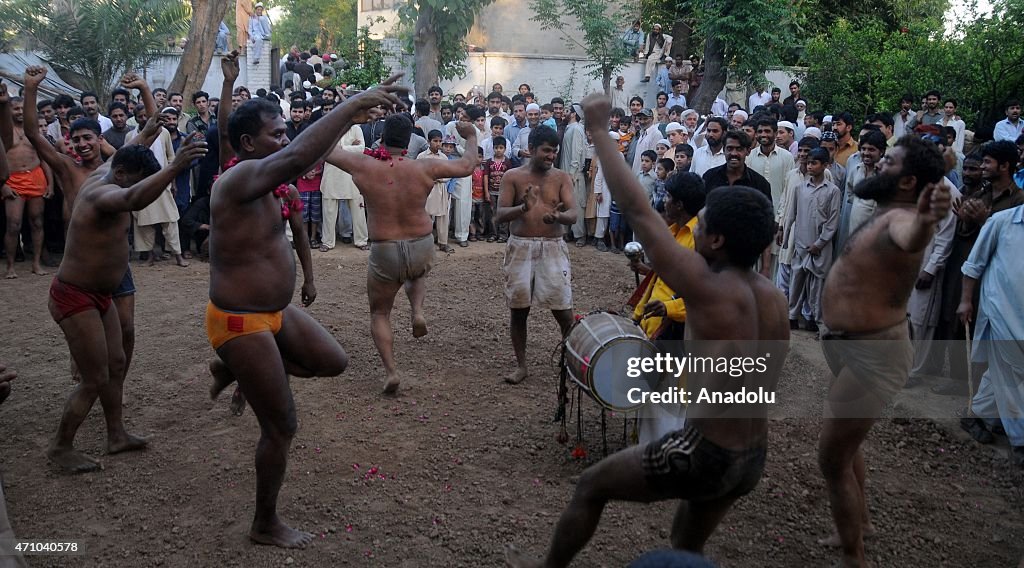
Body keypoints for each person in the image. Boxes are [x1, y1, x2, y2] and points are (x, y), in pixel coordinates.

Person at [505, 93, 788, 568]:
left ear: (716, 240)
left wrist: (598, 129)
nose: (694, 231)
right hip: (751, 456)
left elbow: (636, 209)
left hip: (706, 450)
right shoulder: (775, 298)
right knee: (686, 541)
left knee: (591, 486)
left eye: (703, 227)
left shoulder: (708, 286)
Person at [205, 74, 405, 548]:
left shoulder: (267, 176)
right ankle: (264, 523)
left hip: (275, 313)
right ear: (249, 142)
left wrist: (344, 121)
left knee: (332, 361)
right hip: (240, 320)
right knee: (281, 426)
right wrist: (348, 103)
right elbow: (298, 156)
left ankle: (235, 369)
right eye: (276, 133)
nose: (285, 139)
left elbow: (304, 155)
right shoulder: (239, 178)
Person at [817, 135, 949, 567]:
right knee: (848, 447)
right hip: (853, 349)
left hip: (872, 354)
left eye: (887, 162)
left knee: (832, 459)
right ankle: (863, 523)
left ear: (908, 181)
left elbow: (914, 237)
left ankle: (854, 555)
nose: (876, 165)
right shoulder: (889, 210)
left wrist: (929, 219)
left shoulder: (904, 219)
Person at [46, 132, 206, 473]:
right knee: (94, 377)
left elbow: (138, 144)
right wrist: (175, 165)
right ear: (121, 175)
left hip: (100, 295)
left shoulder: (110, 168)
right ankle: (61, 447)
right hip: (75, 295)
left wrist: (151, 126)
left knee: (116, 364)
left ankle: (116, 435)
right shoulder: (104, 193)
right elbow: (134, 198)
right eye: (139, 181)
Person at [326, 115, 478, 394]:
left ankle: (391, 371)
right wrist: (470, 135)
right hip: (421, 241)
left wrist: (347, 119)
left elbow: (326, 149)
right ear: (409, 140)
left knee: (380, 312)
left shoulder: (363, 165)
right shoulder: (425, 166)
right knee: (417, 271)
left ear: (381, 137)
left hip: (385, 247)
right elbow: (467, 165)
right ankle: (417, 311)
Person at [494, 125, 577, 385]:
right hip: (520, 246)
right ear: (531, 150)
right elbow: (499, 215)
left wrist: (558, 216)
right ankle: (521, 365)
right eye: (546, 151)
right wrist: (523, 207)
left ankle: (573, 363)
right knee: (519, 309)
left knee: (564, 311)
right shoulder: (512, 177)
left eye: (554, 151)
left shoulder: (562, 177)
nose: (551, 156)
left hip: (553, 247)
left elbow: (573, 214)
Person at [957, 201, 1024, 465]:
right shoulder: (1001, 222)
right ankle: (1020, 441)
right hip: (1001, 312)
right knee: (1012, 372)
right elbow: (973, 265)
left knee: (1002, 373)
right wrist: (966, 300)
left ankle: (977, 414)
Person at [782, 147, 841, 331]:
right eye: (808, 163)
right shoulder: (800, 188)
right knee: (796, 281)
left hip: (820, 247)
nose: (809, 166)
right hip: (800, 243)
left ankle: (817, 320)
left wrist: (820, 243)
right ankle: (792, 316)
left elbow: (832, 222)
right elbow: (791, 214)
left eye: (814, 163)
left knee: (817, 285)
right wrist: (785, 239)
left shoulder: (833, 191)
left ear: (825, 165)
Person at [0, 90, 53, 278]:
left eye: (23, 108)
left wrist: (50, 184)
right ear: (9, 111)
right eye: (15, 108)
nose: (20, 112)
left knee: (37, 221)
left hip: (36, 177)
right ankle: (10, 267)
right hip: (13, 179)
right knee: (13, 224)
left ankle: (37, 263)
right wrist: (3, 185)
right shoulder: (4, 131)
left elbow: (44, 159)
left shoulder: (34, 131)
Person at [320, 124, 366, 251]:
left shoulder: (356, 129)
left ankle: (361, 241)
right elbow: (328, 150)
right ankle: (327, 242)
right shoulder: (329, 129)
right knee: (329, 211)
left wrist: (342, 148)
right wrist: (351, 147)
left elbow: (361, 148)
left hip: (351, 173)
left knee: (358, 209)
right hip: (332, 174)